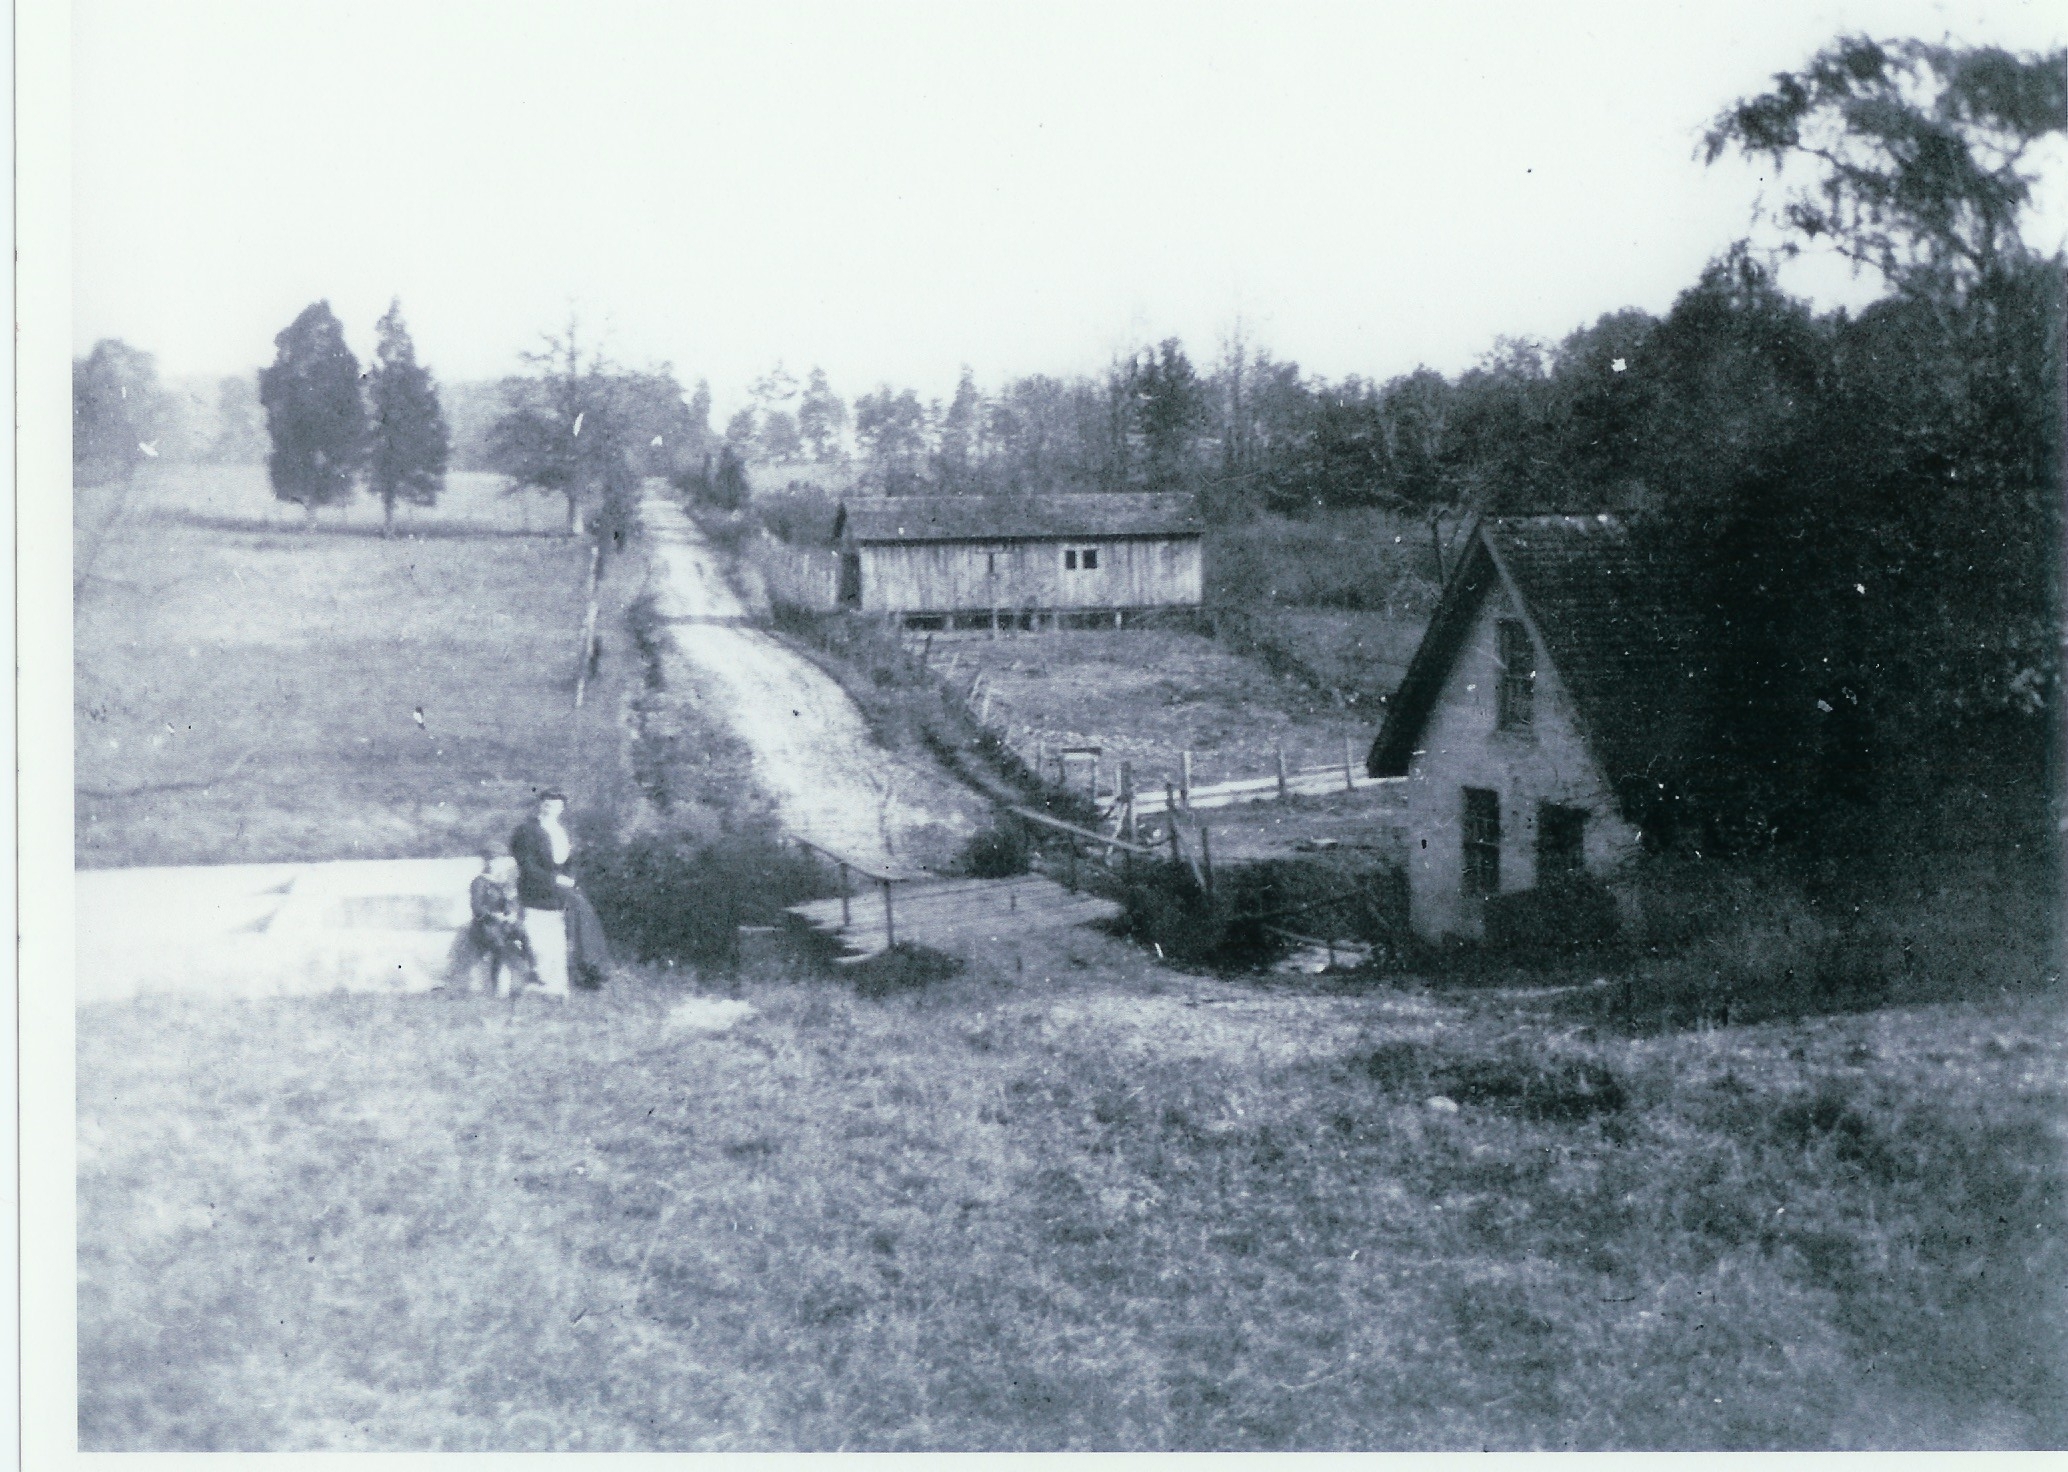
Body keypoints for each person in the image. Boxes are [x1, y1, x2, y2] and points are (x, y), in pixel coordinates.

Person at [511, 790, 577, 998]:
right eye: (547, 804)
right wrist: (553, 880)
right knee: (536, 939)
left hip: (558, 894)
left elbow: (570, 862)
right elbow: (526, 865)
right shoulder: (526, 831)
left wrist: (569, 880)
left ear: (562, 809)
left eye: (556, 806)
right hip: (535, 891)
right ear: (539, 805)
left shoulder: (562, 832)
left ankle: (556, 985)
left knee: (557, 940)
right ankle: (540, 982)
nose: (551, 809)